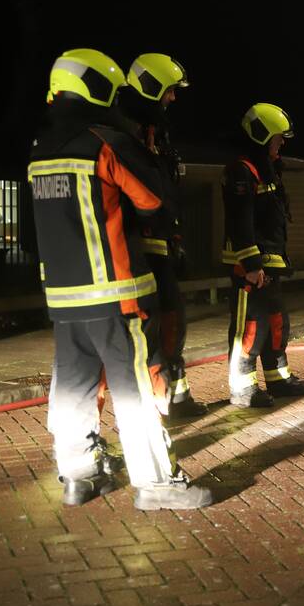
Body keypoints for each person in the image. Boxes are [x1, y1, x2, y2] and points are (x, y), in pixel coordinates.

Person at [29, 48, 212, 510]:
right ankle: (157, 484)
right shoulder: (105, 142)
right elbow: (153, 201)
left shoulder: (40, 151)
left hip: (64, 302)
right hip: (116, 293)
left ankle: (78, 476)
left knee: (73, 387)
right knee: (133, 389)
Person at [119, 53, 207, 418]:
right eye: (169, 91)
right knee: (149, 328)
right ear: (152, 87)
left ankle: (177, 395)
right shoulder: (124, 131)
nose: (173, 98)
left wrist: (175, 238)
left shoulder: (155, 130)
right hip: (136, 248)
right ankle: (155, 404)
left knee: (174, 318)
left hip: (161, 243)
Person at [222, 103, 304, 407]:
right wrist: (251, 264)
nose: (281, 143)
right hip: (249, 266)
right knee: (250, 326)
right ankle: (243, 388)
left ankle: (277, 377)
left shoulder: (267, 170)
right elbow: (240, 220)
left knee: (276, 322)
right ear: (261, 136)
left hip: (268, 262)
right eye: (277, 137)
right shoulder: (242, 171)